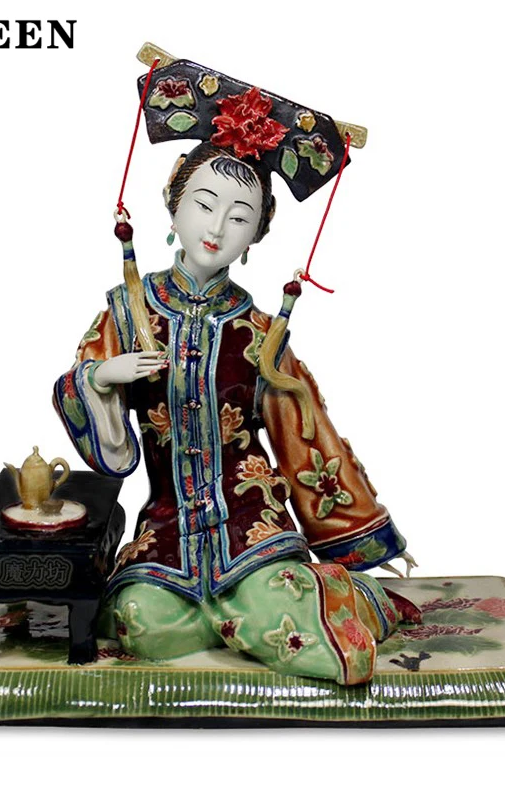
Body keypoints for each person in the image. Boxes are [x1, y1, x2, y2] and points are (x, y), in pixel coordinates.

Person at [54, 140, 420, 685]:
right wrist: (102, 377)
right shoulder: (127, 313)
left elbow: (306, 437)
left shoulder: (259, 333)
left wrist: (357, 537)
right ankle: (228, 621)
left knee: (292, 627)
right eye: (204, 205)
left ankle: (334, 597)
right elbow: (80, 391)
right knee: (140, 623)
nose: (217, 227)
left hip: (250, 523)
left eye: (240, 217)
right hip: (169, 527)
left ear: (257, 234)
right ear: (173, 204)